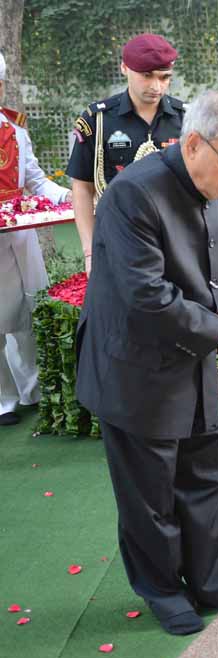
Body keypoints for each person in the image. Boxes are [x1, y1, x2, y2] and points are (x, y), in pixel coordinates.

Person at [75, 90, 218, 635]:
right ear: (194, 145)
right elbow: (146, 298)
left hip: (193, 352)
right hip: (134, 363)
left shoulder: (216, 183)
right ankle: (165, 592)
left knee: (206, 470)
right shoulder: (131, 196)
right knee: (150, 490)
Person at [67, 33, 186, 276]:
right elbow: (82, 186)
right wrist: (90, 253)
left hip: (175, 241)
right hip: (116, 239)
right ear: (124, 68)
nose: (156, 86)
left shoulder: (186, 119)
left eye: (165, 78)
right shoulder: (97, 121)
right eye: (146, 75)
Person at [0, 51, 71, 426]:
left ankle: (33, 389)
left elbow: (36, 180)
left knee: (31, 307)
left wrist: (67, 195)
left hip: (21, 234)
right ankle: (3, 399)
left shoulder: (15, 129)